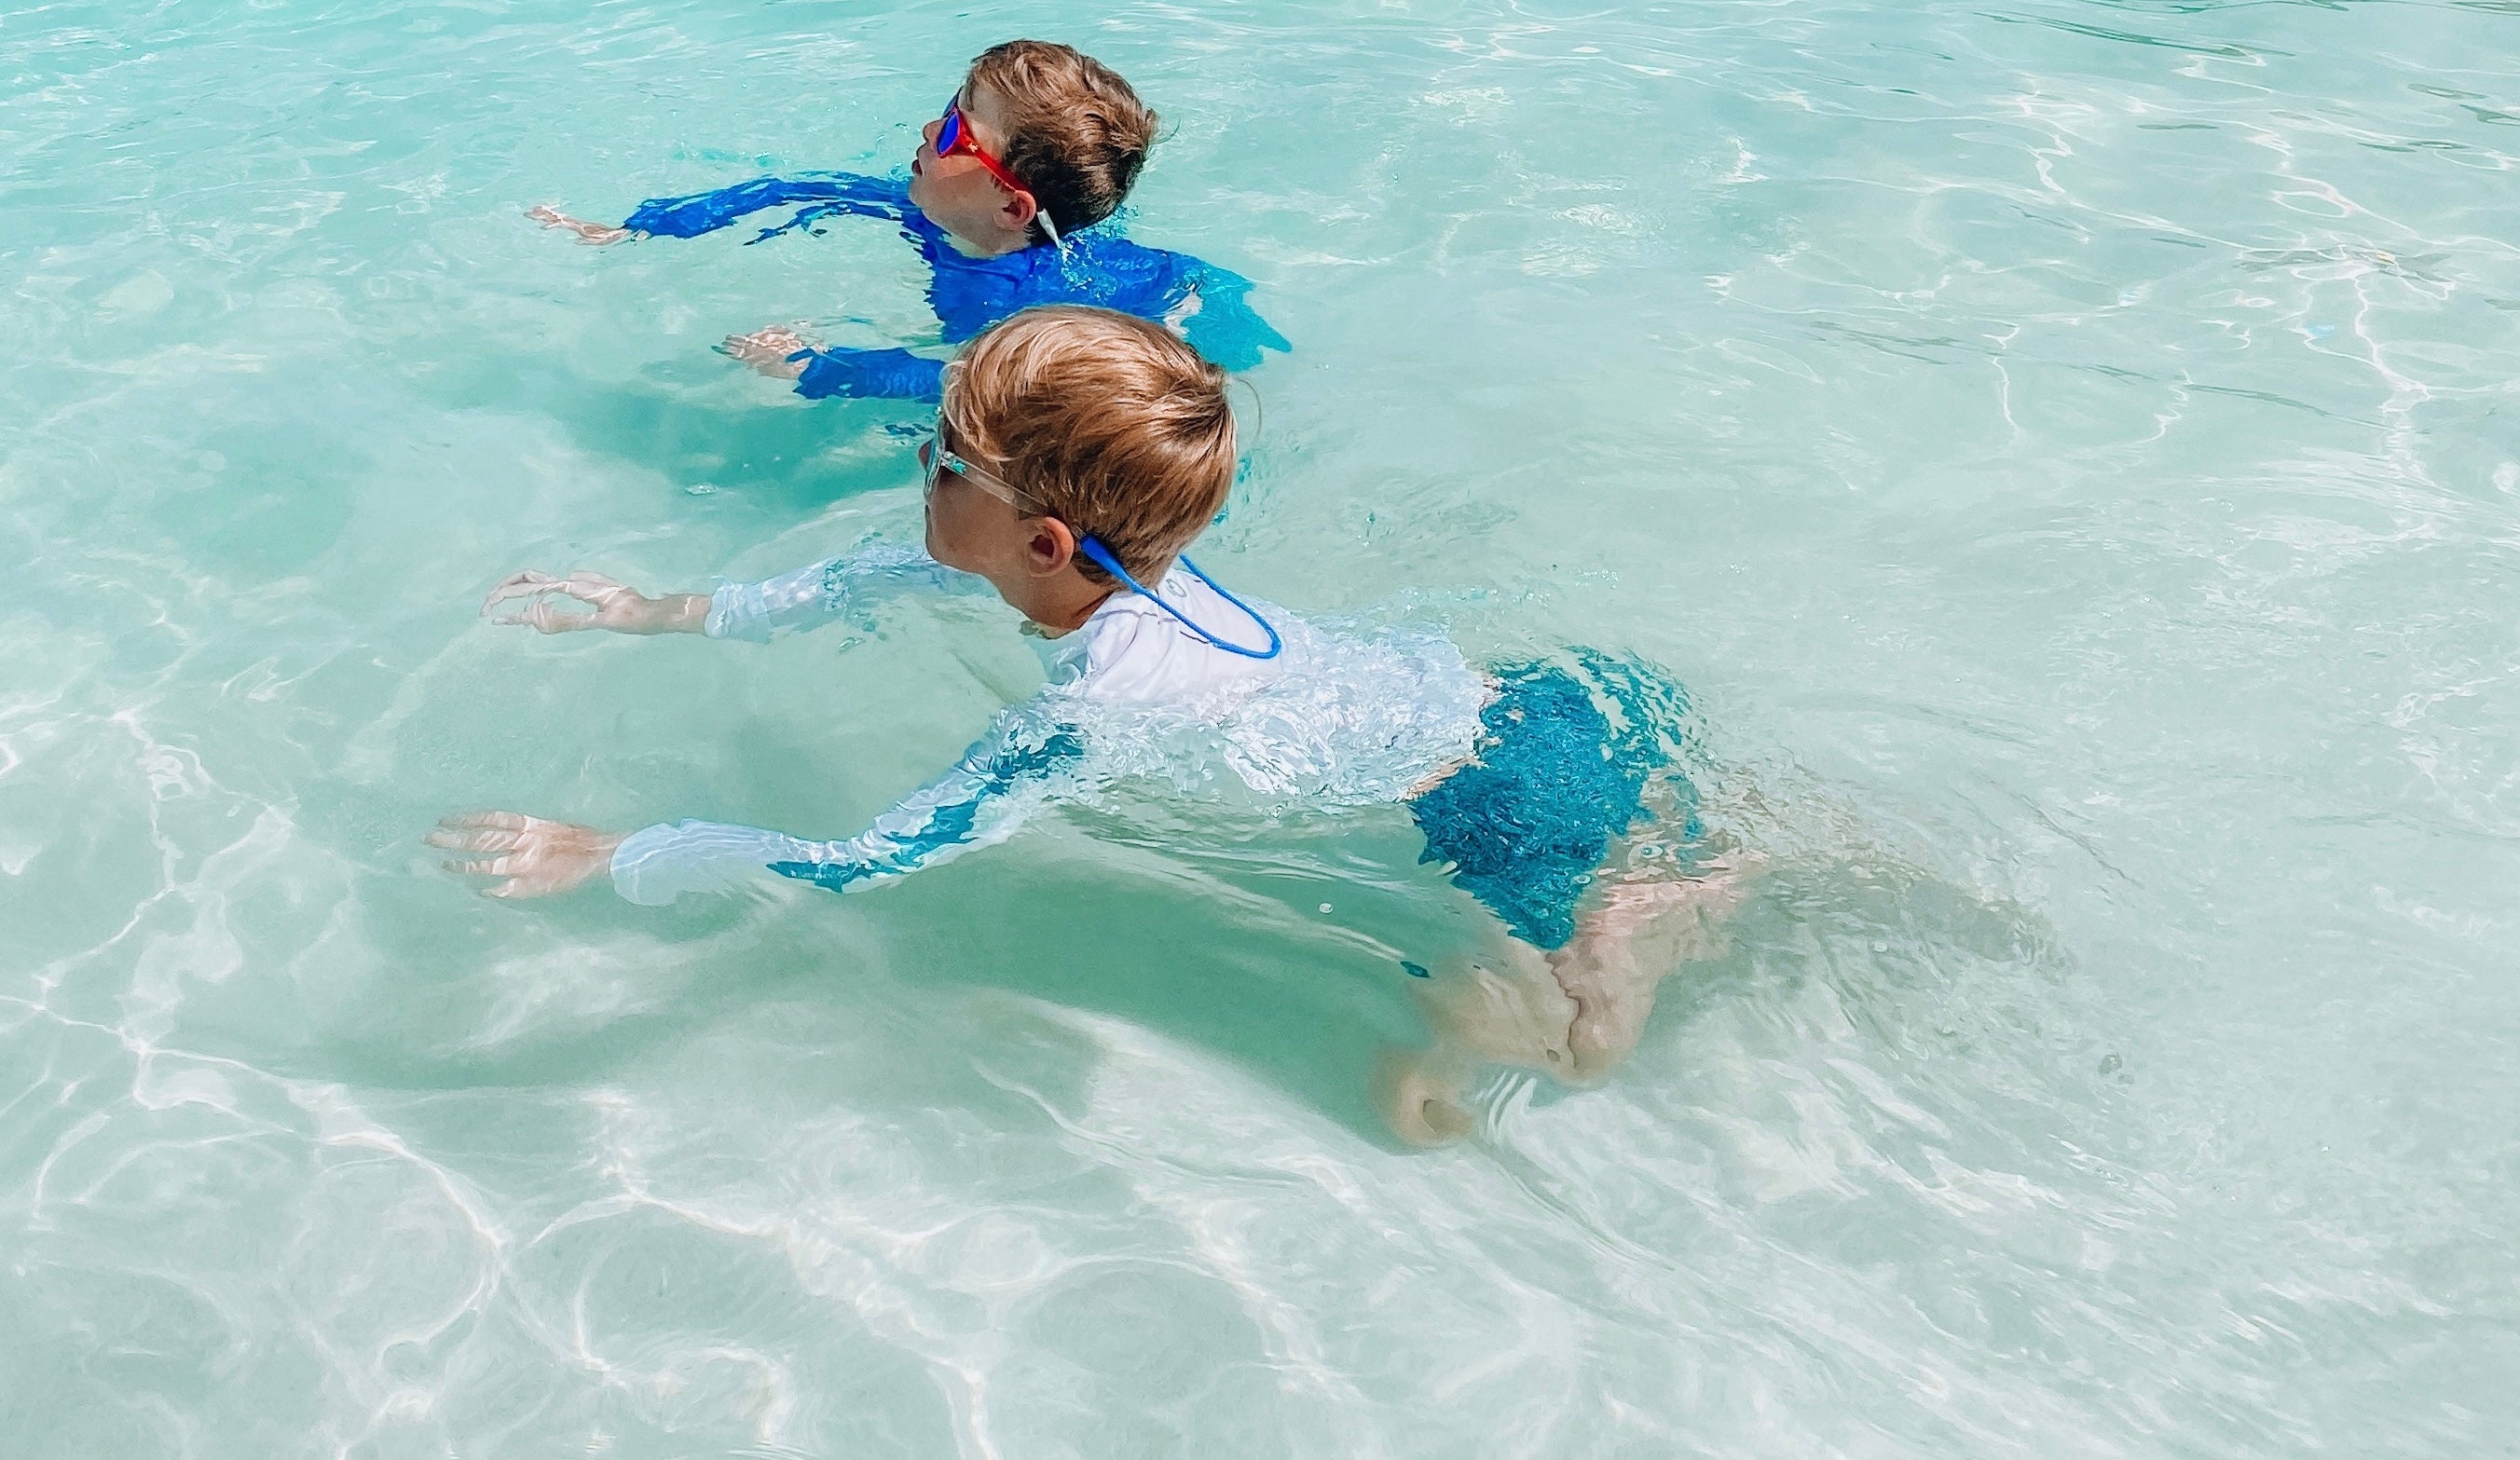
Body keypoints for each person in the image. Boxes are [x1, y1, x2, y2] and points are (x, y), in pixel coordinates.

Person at [438, 308, 1750, 1143]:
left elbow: (881, 857)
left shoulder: (1109, 698)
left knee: (1568, 1048)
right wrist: (653, 613)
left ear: (1042, 540)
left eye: (939, 459)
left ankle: (1655, 908)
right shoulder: (1081, 565)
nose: (918, 472)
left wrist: (619, 851)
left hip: (1508, 808)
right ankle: (1669, 868)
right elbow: (862, 576)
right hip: (1538, 696)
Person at [530, 39, 1285, 400]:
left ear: (1011, 205)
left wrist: (822, 366)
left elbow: (971, 388)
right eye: (948, 111)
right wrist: (638, 228)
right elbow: (787, 189)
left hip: (1178, 301)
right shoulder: (925, 205)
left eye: (958, 135)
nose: (929, 132)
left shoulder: (1019, 304)